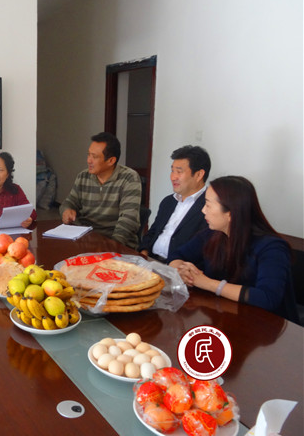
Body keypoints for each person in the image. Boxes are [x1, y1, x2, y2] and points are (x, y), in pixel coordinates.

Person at [168, 176, 299, 323]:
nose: (203, 210)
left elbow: (267, 298)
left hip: (266, 327)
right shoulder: (212, 234)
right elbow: (176, 254)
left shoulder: (272, 248)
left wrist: (207, 283)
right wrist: (182, 270)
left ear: (230, 213)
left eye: (208, 205)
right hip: (226, 315)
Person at [60, 132, 141, 249]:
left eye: (94, 157)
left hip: (115, 243)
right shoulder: (83, 176)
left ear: (111, 161)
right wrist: (67, 210)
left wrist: (113, 245)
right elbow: (69, 202)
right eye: (88, 155)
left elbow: (129, 219)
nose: (89, 160)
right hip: (86, 240)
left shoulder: (129, 178)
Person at [139, 145, 211, 262]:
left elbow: (203, 252)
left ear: (199, 175)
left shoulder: (209, 207)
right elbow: (152, 233)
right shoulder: (168, 201)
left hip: (179, 269)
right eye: (172, 171)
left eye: (179, 172)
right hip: (151, 261)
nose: (173, 177)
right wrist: (144, 254)